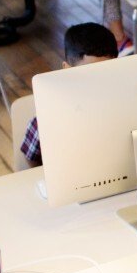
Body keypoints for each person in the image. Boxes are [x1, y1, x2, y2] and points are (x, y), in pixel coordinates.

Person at [19, 23, 119, 167]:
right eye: (88, 75)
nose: (97, 84)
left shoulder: (123, 105)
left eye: (107, 73)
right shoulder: (48, 118)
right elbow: (32, 158)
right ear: (67, 69)